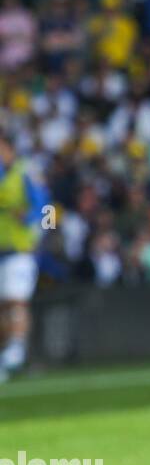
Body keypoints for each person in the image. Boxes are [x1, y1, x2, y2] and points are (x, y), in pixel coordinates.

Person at [0, 134, 47, 381]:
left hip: (20, 250)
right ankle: (7, 356)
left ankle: (16, 350)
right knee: (4, 307)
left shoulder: (26, 171)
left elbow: (46, 207)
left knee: (16, 300)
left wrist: (31, 221)